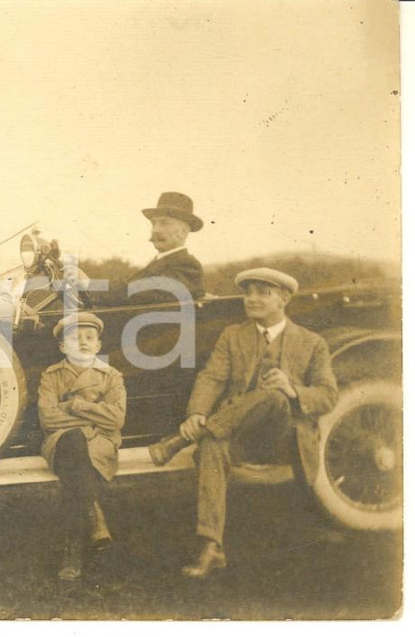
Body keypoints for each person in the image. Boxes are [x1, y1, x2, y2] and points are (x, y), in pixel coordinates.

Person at [146, 268, 338, 578]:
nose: (251, 299)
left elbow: (328, 396)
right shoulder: (233, 335)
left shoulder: (311, 342)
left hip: (283, 439)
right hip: (237, 434)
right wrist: (196, 413)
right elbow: (212, 377)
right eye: (248, 292)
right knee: (211, 445)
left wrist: (292, 389)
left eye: (263, 292)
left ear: (284, 299)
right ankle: (211, 546)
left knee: (274, 397)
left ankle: (182, 440)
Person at [37, 312, 127, 581]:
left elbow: (117, 418)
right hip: (62, 440)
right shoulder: (51, 376)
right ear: (62, 347)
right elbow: (47, 417)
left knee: (76, 455)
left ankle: (72, 549)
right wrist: (92, 415)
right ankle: (95, 517)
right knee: (74, 442)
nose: (83, 342)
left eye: (90, 337)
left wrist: (75, 406)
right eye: (75, 338)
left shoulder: (111, 376)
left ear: (99, 345)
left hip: (101, 441)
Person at [92, 192, 205, 305]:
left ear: (183, 232)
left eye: (164, 223)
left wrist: (89, 286)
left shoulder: (187, 265)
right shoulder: (158, 263)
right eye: (153, 223)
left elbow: (137, 291)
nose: (155, 230)